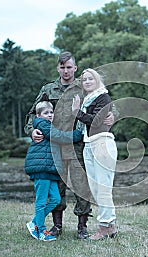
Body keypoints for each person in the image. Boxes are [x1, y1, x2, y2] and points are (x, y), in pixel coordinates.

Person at [24, 51, 117, 239]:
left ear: (75, 68)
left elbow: (106, 101)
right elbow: (33, 114)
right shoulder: (48, 89)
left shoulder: (84, 86)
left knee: (82, 185)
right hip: (54, 145)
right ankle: (57, 225)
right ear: (58, 68)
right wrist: (31, 130)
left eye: (69, 67)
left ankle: (82, 226)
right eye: (62, 67)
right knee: (57, 185)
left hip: (78, 144)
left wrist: (113, 115)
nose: (66, 71)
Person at [25, 100, 82, 242]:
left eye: (51, 112)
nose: (50, 115)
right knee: (41, 201)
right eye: (46, 113)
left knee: (56, 199)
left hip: (49, 168)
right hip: (42, 167)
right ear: (38, 115)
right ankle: (41, 230)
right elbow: (60, 136)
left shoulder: (49, 125)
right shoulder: (42, 124)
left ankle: (34, 223)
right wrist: (77, 134)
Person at [72, 68, 118, 241]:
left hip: (101, 143)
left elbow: (97, 121)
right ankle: (110, 226)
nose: (88, 82)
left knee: (103, 189)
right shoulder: (87, 100)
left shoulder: (103, 97)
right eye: (84, 80)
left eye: (91, 78)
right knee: (96, 189)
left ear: (97, 80)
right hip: (89, 144)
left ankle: (103, 228)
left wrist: (77, 112)